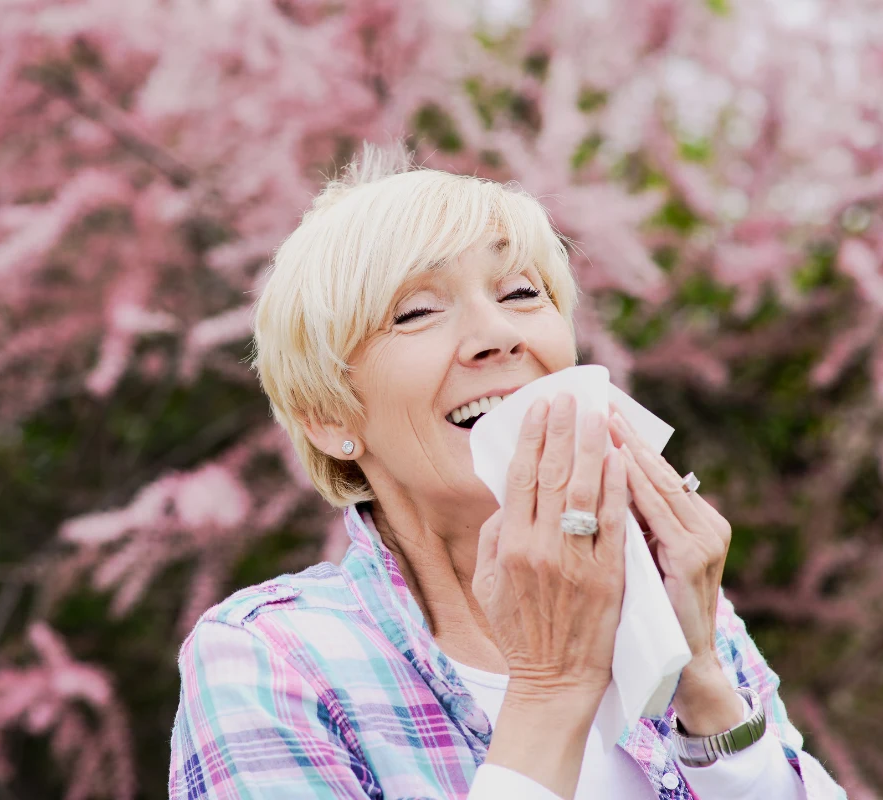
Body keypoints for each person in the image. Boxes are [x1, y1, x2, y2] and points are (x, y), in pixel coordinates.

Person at [168, 144, 846, 800]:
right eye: (417, 311)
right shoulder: (269, 658)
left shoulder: (682, 606)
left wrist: (701, 678)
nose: (498, 334)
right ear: (327, 417)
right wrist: (551, 688)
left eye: (521, 293)